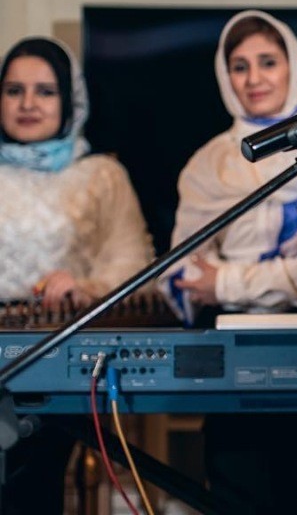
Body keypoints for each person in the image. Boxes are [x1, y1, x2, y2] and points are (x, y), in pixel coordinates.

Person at [164, 10, 297, 514]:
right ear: (224, 77)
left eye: (267, 62)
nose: (254, 79)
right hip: (235, 364)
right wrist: (296, 284)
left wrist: (230, 281)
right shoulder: (207, 164)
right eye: (240, 66)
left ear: (292, 67)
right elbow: (185, 275)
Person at [0, 36, 153, 514]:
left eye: (45, 92)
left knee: (31, 489)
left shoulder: (102, 175)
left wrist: (82, 288)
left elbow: (135, 268)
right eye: (14, 90)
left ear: (70, 101)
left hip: (61, 363)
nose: (28, 104)